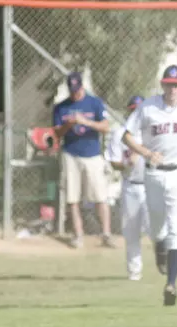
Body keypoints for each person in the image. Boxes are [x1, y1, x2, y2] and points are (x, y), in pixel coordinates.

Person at [123, 65, 177, 306]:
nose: (172, 88)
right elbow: (126, 135)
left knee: (176, 229)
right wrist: (145, 152)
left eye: (176, 84)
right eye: (168, 84)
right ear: (162, 85)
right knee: (157, 229)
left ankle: (171, 284)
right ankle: (161, 250)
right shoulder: (148, 107)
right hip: (153, 175)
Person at [53, 71, 112, 249]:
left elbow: (106, 127)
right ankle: (78, 235)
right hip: (70, 154)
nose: (75, 94)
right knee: (73, 197)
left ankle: (106, 234)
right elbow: (56, 133)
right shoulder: (60, 107)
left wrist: (86, 122)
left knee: (100, 196)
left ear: (82, 86)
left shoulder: (94, 103)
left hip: (92, 154)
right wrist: (68, 124)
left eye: (77, 90)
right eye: (72, 90)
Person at [106, 95, 149, 280]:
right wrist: (126, 164)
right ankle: (134, 272)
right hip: (130, 186)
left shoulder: (154, 133)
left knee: (155, 228)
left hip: (152, 186)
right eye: (134, 110)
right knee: (131, 231)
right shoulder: (119, 134)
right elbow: (114, 162)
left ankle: (165, 258)